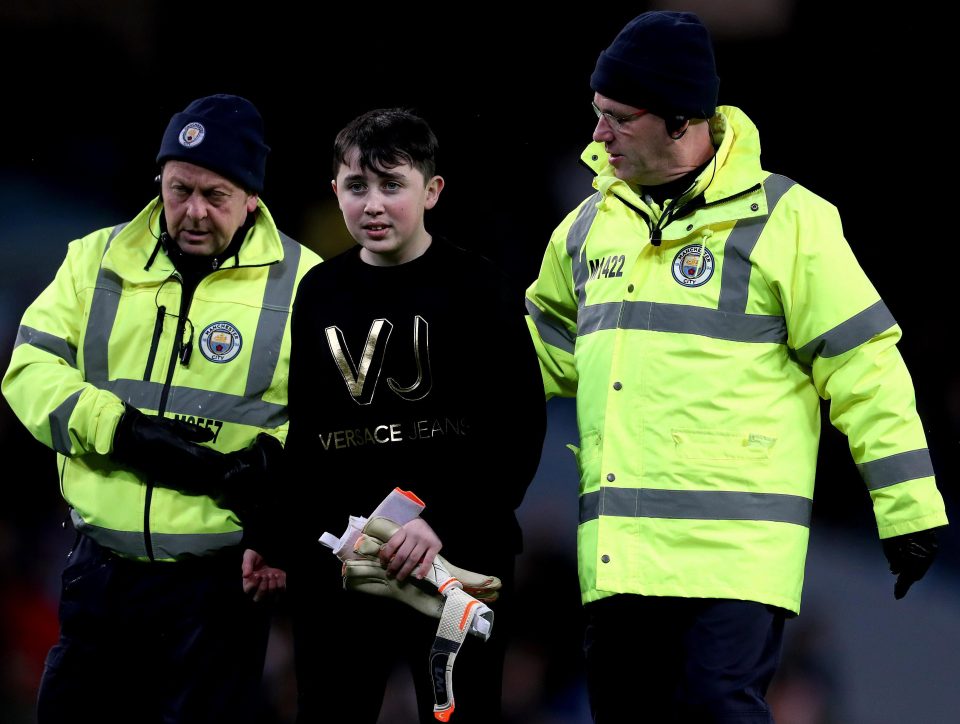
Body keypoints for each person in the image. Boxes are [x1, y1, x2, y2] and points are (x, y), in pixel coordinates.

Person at [523, 11, 949, 723]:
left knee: (716, 710)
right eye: (597, 115)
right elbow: (531, 358)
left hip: (732, 556)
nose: (597, 136)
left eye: (618, 119)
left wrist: (907, 507)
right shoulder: (585, 228)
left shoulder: (789, 221)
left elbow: (863, 364)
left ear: (682, 120)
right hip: (619, 557)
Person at [1, 93, 322, 724]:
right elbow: (27, 371)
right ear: (161, 181)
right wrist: (119, 429)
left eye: (215, 195)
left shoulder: (304, 284)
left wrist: (279, 479)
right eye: (179, 190)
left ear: (252, 198)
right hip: (99, 575)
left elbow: (330, 422)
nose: (193, 212)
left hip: (219, 588)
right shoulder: (95, 259)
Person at [280, 108, 546, 723]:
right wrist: (295, 541)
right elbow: (308, 436)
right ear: (335, 193)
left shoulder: (481, 288)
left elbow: (517, 431)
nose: (373, 204)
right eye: (356, 187)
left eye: (391, 185)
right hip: (343, 573)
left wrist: (438, 519)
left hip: (459, 561)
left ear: (432, 191)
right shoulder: (317, 293)